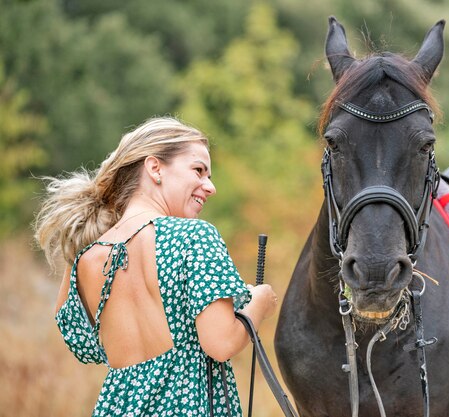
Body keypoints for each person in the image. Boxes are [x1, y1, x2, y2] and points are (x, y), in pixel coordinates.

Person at [34, 117, 278, 416]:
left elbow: (84, 347)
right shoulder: (194, 237)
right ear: (154, 168)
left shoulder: (86, 257)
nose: (210, 186)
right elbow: (221, 342)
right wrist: (259, 304)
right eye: (198, 170)